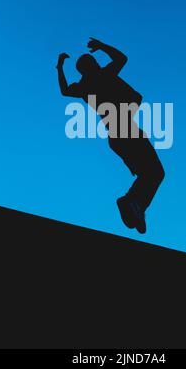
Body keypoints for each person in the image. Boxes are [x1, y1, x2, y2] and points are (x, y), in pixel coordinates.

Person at [56, 38, 165, 233]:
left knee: (147, 174)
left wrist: (59, 67)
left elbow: (64, 91)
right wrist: (102, 46)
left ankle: (136, 206)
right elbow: (122, 58)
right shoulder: (103, 75)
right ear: (93, 65)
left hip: (115, 137)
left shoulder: (83, 88)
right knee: (155, 172)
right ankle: (132, 202)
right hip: (126, 129)